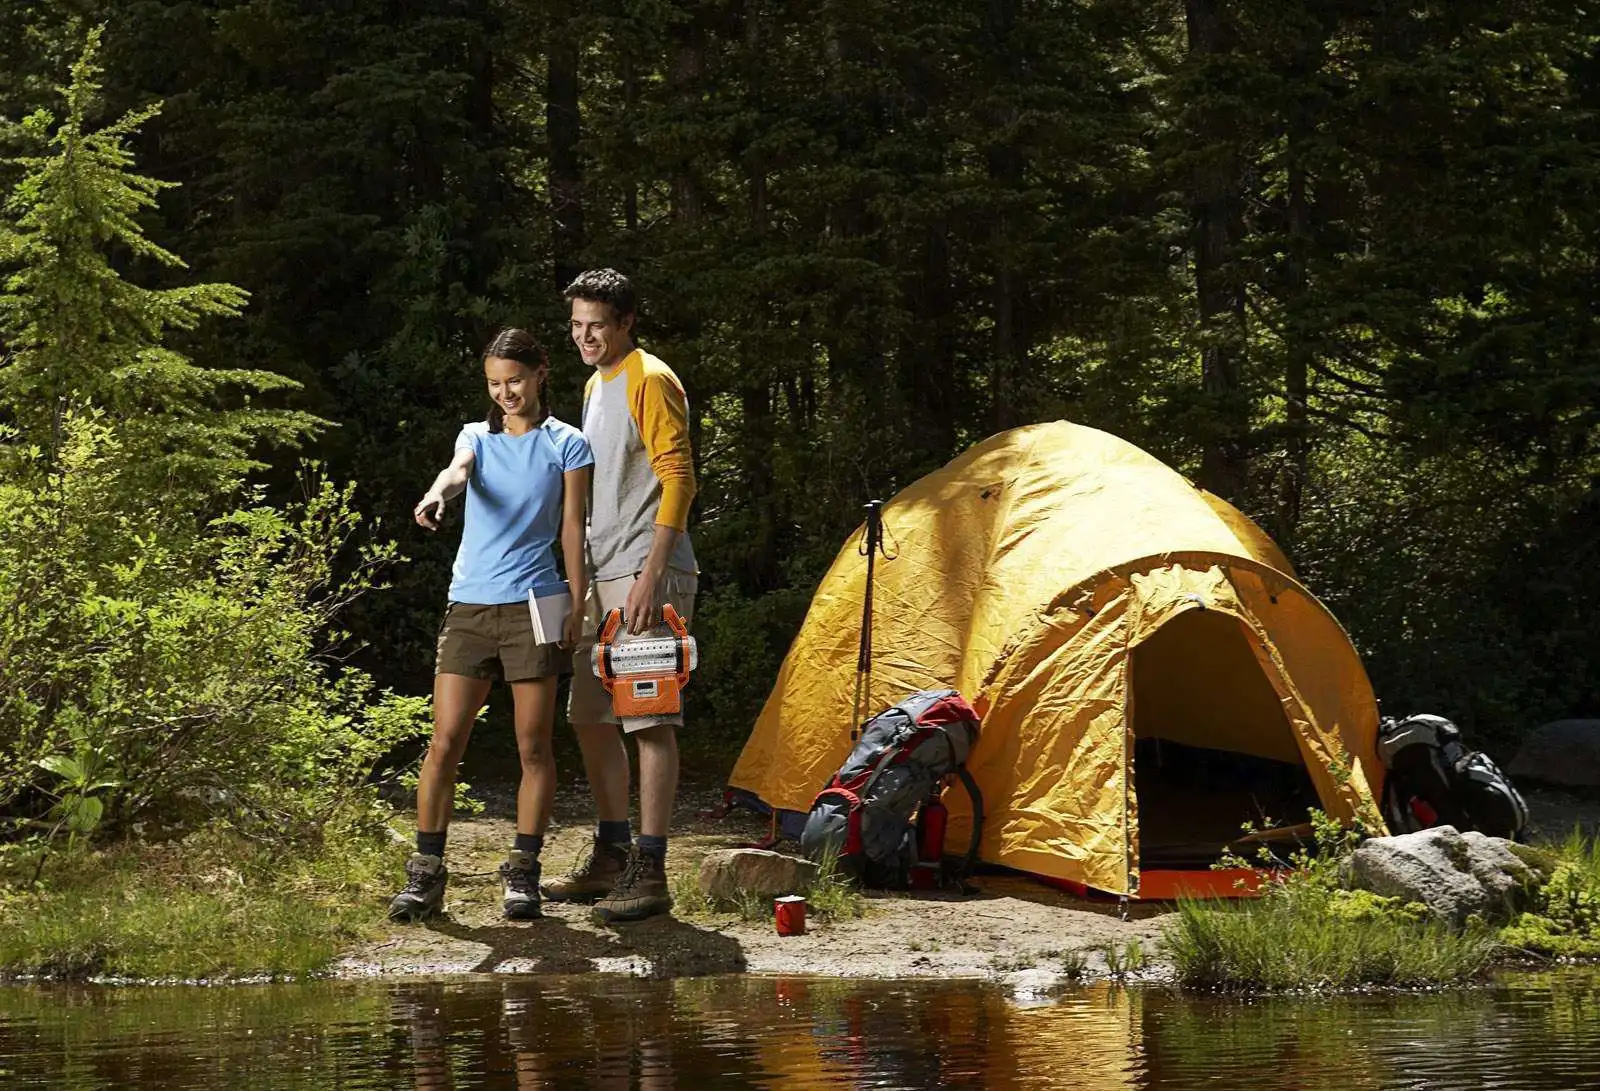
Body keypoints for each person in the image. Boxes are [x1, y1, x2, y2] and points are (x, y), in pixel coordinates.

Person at [388, 328, 593, 922]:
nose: (506, 393)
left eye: (516, 381)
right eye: (496, 384)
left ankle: (523, 873)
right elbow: (457, 470)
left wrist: (577, 602)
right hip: (471, 605)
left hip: (541, 602)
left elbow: (573, 527)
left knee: (534, 745)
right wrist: (436, 493)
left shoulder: (567, 444)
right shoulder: (475, 436)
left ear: (540, 374)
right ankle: (426, 873)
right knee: (445, 742)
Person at [540, 269, 698, 923]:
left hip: (644, 573)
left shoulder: (649, 377)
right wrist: (578, 589)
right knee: (589, 716)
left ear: (626, 321)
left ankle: (652, 869)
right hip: (602, 577)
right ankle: (612, 852)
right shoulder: (594, 383)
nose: (585, 336)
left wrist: (649, 574)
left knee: (649, 720)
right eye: (576, 325)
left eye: (596, 325)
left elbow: (679, 477)